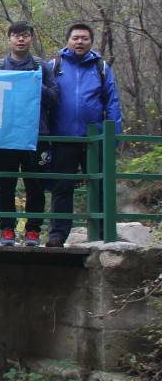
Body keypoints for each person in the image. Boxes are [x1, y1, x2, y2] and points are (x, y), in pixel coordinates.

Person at [46, 22, 122, 248]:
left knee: (99, 185)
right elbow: (44, 100)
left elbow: (112, 102)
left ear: (91, 42)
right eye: (76, 38)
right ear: (68, 41)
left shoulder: (101, 67)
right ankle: (57, 234)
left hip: (94, 139)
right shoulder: (54, 65)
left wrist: (112, 137)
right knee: (62, 187)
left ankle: (102, 232)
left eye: (84, 38)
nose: (79, 42)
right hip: (63, 137)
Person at [0, 22, 59, 246]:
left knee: (35, 185)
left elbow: (54, 98)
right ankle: (7, 229)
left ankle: (33, 231)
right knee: (5, 184)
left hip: (36, 133)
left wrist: (35, 83)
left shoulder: (41, 66)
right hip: (5, 135)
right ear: (9, 39)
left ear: (31, 38)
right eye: (16, 35)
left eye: (25, 35)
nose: (21, 39)